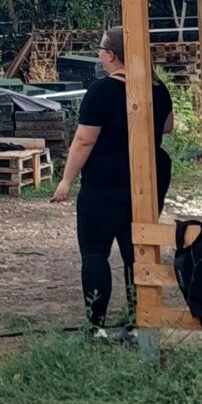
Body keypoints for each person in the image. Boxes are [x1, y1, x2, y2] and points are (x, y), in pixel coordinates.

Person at [50, 26, 175, 338]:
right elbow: (168, 127)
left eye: (101, 52)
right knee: (137, 254)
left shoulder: (101, 92)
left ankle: (96, 328)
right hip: (146, 182)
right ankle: (138, 324)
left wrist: (66, 180)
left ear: (110, 55)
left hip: (104, 183)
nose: (100, 57)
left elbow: (84, 140)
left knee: (95, 253)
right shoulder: (156, 88)